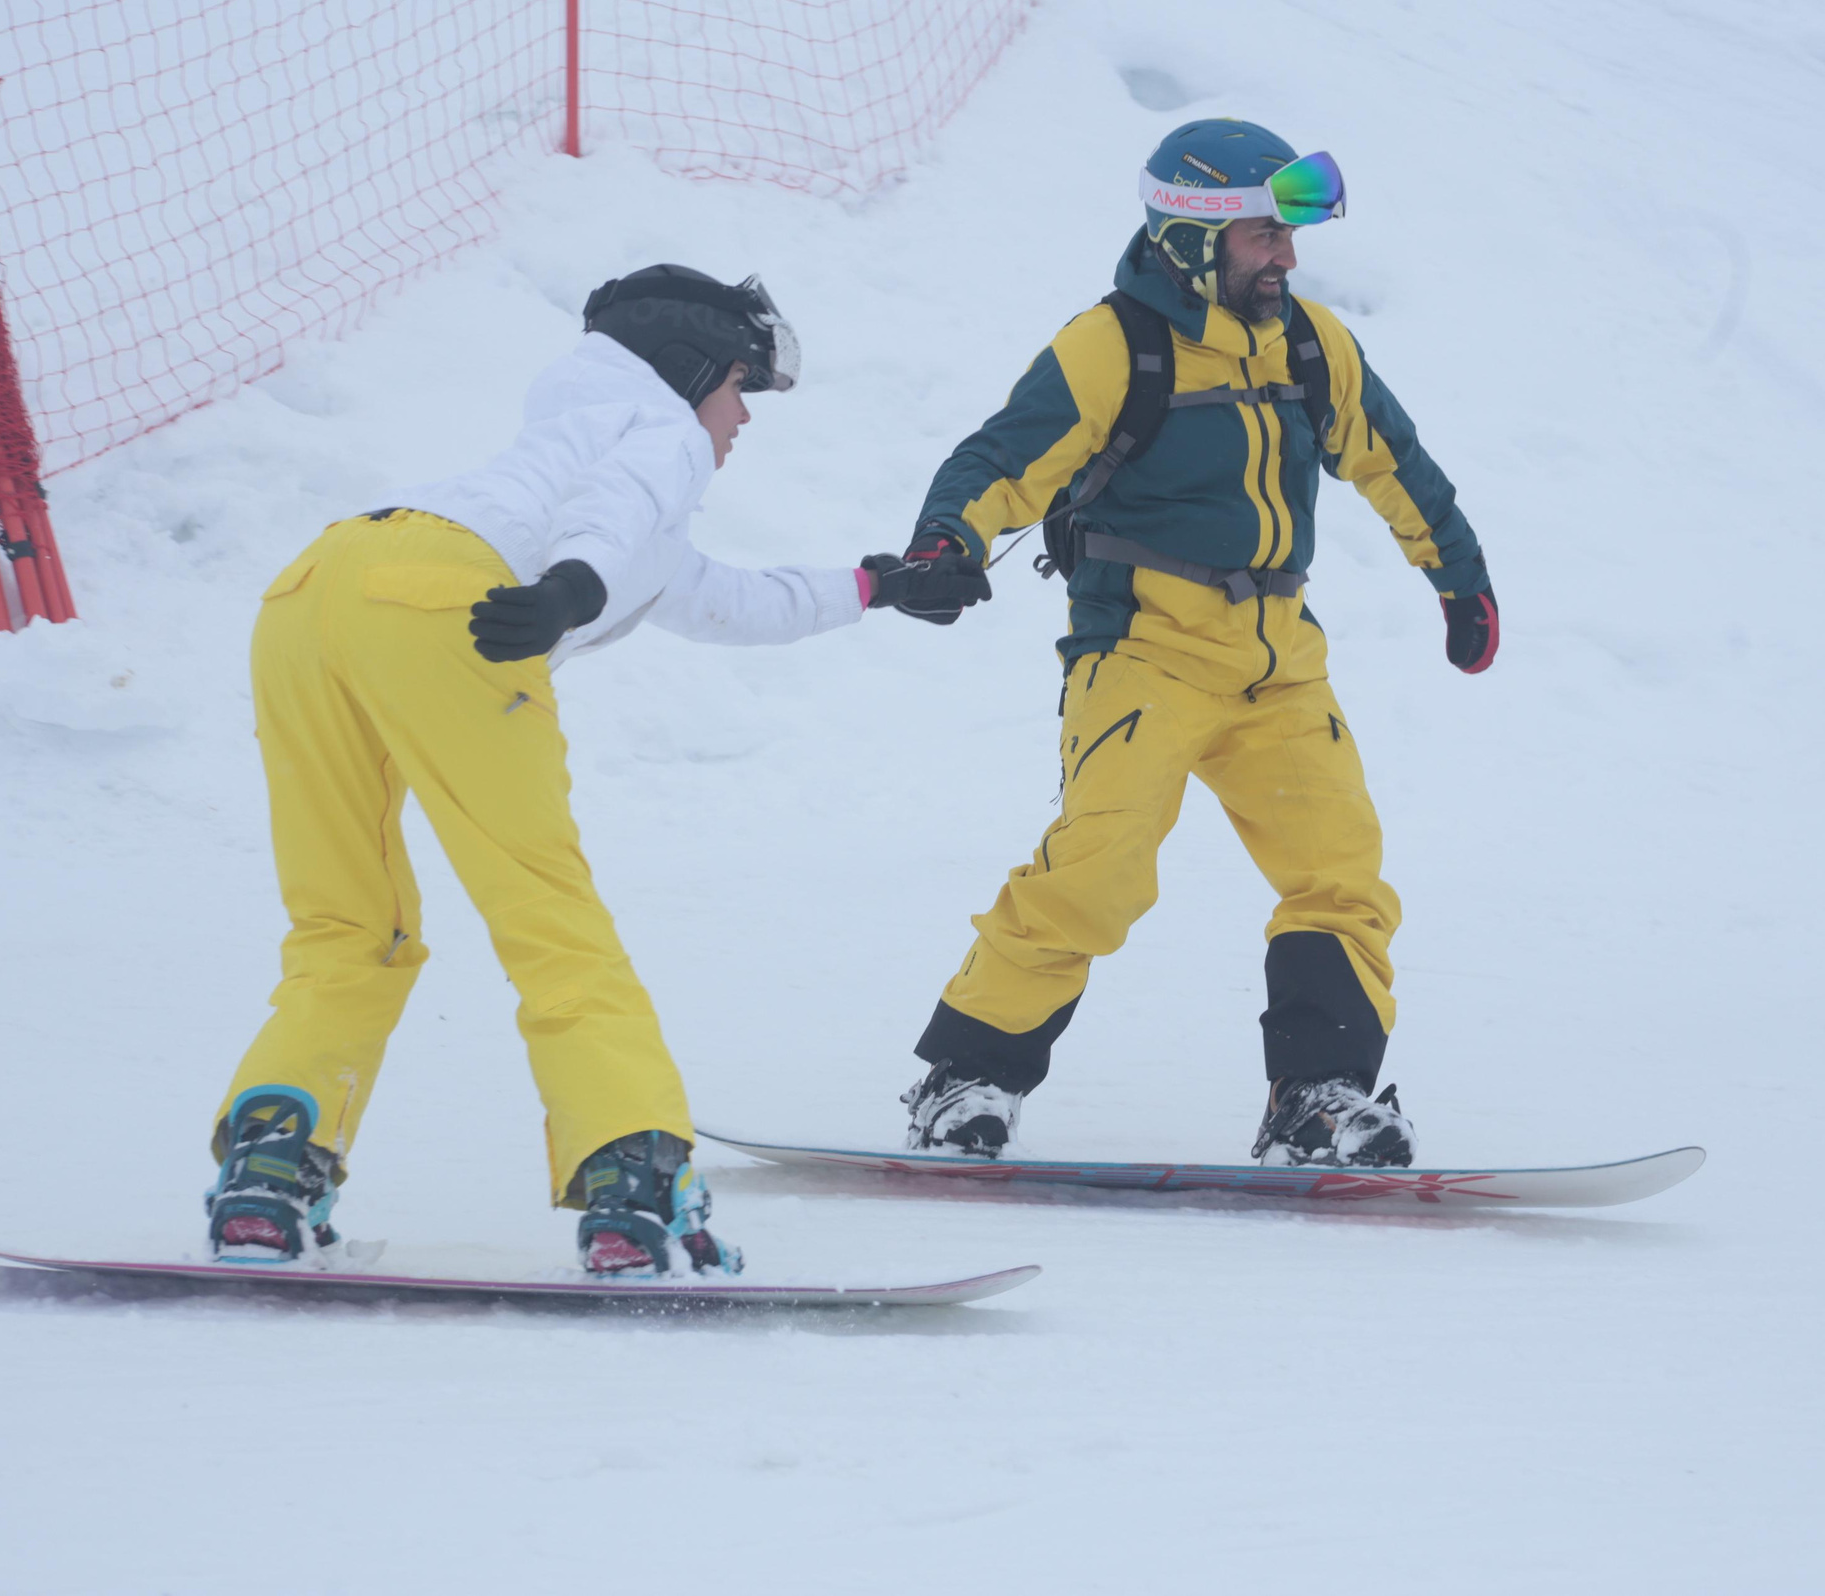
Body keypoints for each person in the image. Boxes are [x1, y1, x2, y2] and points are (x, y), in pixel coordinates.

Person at [204, 264, 985, 1274]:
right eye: (740, 386)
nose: (743, 417)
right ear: (690, 369)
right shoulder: (654, 433)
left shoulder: (567, 449)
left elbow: (727, 597)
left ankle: (268, 1174)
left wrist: (877, 585)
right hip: (451, 601)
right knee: (549, 918)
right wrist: (571, 590)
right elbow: (613, 521)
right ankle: (635, 1185)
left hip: (310, 592)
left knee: (347, 924)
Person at [879, 119, 1497, 1168]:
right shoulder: (1113, 344)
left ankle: (1319, 1097)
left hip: (1278, 658)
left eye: (1288, 236)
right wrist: (947, 543)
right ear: (1196, 238)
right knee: (1099, 867)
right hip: (1144, 648)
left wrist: (1460, 579)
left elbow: (1396, 462)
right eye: (1265, 236)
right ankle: (965, 1079)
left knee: (1338, 874)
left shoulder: (1312, 344)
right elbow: (1006, 456)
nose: (1287, 258)